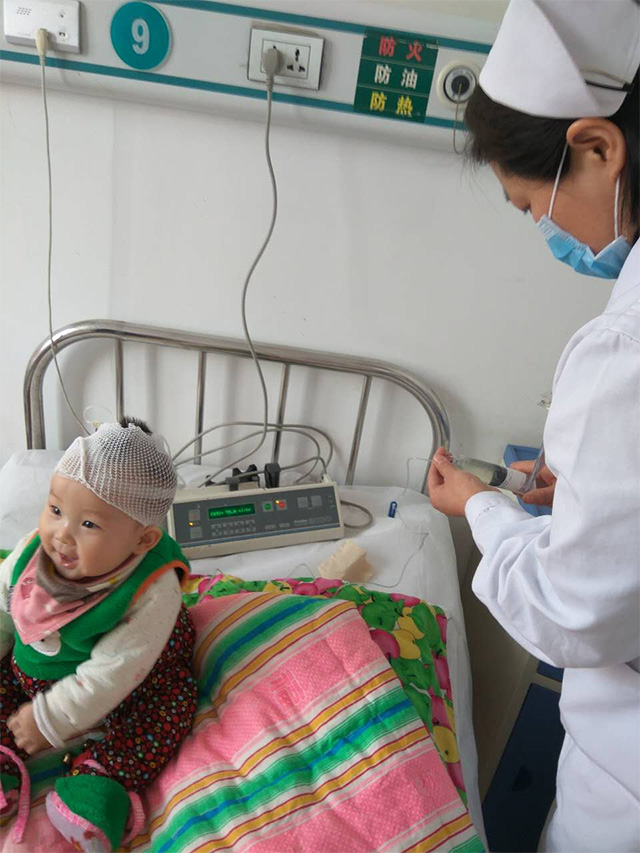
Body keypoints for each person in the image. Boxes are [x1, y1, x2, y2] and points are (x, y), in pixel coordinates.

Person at [428, 1, 640, 850]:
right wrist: (591, 495)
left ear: (598, 148)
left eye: (530, 205)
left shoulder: (624, 353)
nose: (546, 230)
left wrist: (482, 507)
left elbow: (574, 614)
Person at [0, 418, 198, 851]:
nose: (61, 535)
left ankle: (101, 779)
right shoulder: (35, 549)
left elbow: (116, 669)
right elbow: (5, 598)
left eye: (89, 524)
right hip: (41, 668)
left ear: (143, 540)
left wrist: (51, 718)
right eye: (56, 510)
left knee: (172, 706)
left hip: (135, 679)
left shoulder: (152, 590)